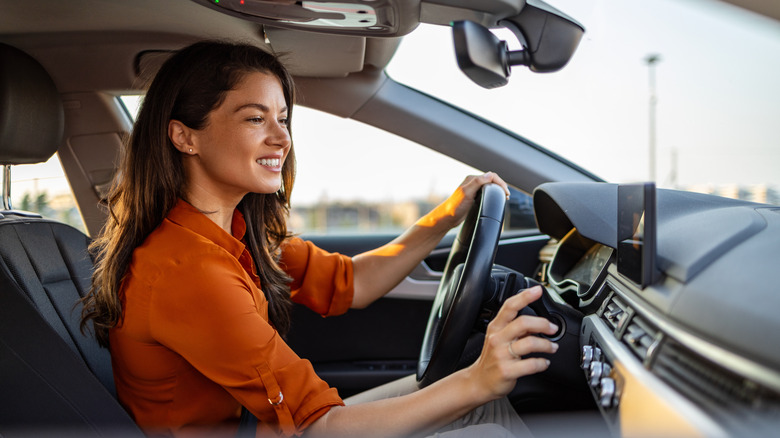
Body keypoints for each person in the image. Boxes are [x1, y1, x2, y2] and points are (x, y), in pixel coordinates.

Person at [80, 40, 559, 437]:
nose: (282, 139)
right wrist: (478, 379)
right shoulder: (188, 270)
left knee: (477, 410)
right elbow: (319, 426)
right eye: (254, 119)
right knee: (483, 420)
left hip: (259, 429)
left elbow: (354, 281)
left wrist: (447, 215)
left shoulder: (236, 237)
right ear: (185, 137)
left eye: (282, 119)